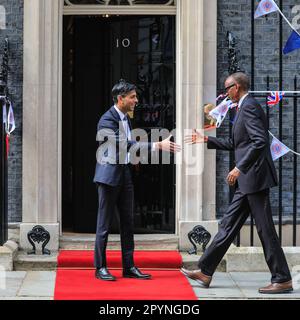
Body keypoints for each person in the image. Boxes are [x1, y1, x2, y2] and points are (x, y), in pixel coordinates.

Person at [182, 72, 293, 294]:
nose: (225, 93)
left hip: (255, 178)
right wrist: (207, 140)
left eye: (227, 88)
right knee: (228, 226)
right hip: (247, 181)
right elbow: (236, 143)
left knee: (265, 229)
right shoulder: (241, 108)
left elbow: (260, 142)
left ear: (237, 87)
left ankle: (282, 278)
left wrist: (239, 167)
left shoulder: (249, 106)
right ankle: (205, 270)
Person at [93, 79, 180, 281]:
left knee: (128, 223)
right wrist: (157, 146)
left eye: (135, 96)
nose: (136, 100)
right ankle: (100, 268)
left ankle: (129, 267)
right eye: (132, 97)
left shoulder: (125, 118)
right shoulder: (106, 120)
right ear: (120, 98)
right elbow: (124, 145)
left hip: (124, 173)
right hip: (108, 176)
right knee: (104, 225)